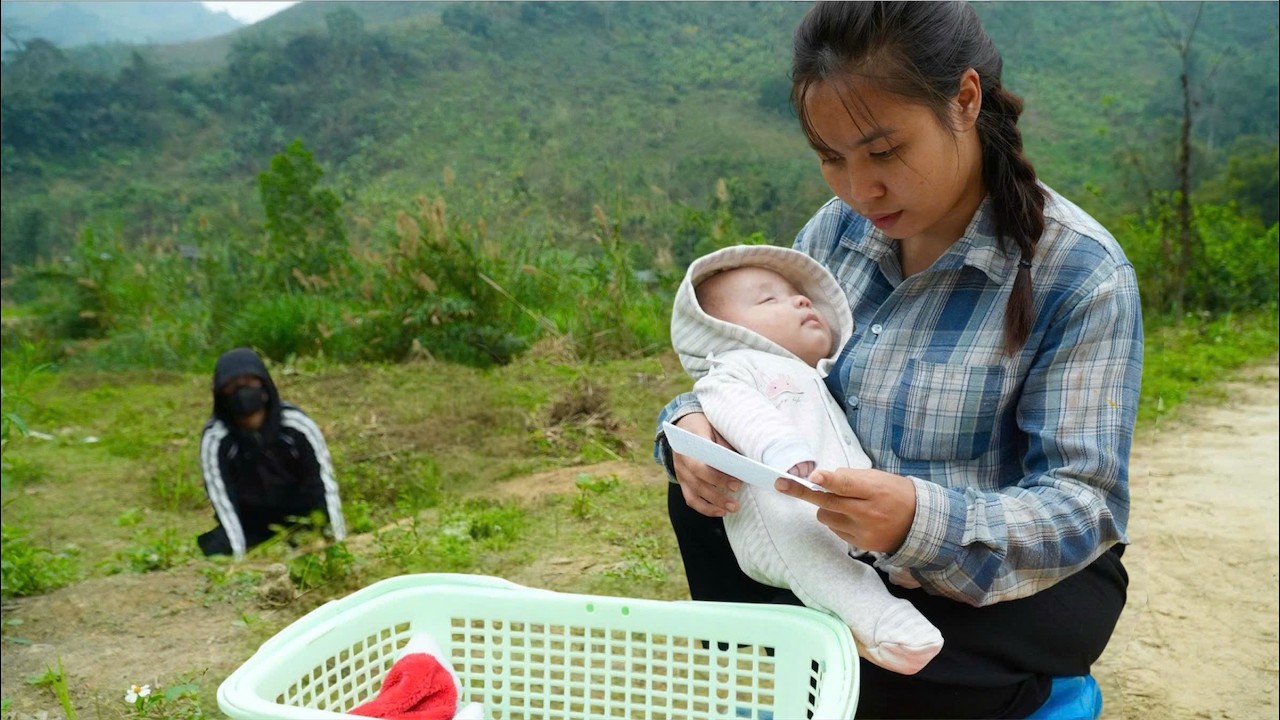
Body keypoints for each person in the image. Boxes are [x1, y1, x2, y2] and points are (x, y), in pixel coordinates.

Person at [655, 2, 1143, 718]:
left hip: (997, 584)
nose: (859, 189)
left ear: (965, 100)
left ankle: (856, 661)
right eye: (831, 158)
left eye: (884, 152)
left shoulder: (1080, 273)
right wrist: (691, 424)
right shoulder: (837, 233)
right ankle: (863, 659)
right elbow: (757, 364)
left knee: (864, 658)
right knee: (701, 501)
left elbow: (1083, 504)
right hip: (844, 554)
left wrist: (922, 522)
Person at [671, 243, 944, 674]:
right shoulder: (735, 366)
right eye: (768, 298)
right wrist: (781, 452)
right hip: (782, 511)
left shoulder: (810, 375)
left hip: (826, 497)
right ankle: (881, 626)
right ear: (723, 332)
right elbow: (738, 409)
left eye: (802, 294)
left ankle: (897, 572)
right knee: (822, 567)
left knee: (850, 543)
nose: (801, 299)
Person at [198, 347, 347, 560]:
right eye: (232, 386)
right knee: (216, 547)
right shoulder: (216, 439)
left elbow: (323, 484)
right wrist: (239, 558)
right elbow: (221, 497)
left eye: (249, 382)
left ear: (265, 385)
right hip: (252, 523)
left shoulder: (297, 426)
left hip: (300, 517)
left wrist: (335, 541)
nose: (241, 391)